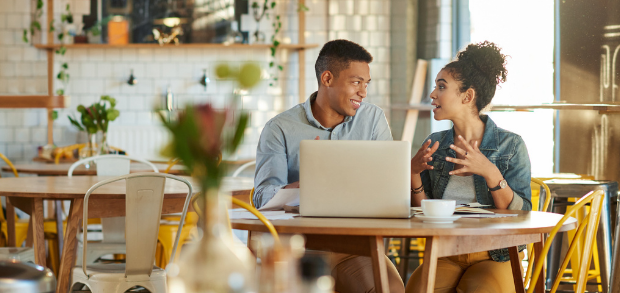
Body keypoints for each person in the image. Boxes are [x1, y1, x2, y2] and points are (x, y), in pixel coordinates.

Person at [254, 39, 404, 293]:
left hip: (356, 249)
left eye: (366, 84)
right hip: (300, 250)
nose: (363, 92)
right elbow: (262, 197)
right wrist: (304, 187)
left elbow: (387, 186)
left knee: (391, 290)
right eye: (356, 82)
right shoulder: (279, 128)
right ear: (327, 78)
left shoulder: (373, 118)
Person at [406, 41, 532, 293]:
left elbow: (523, 215)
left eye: (441, 87)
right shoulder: (434, 144)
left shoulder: (511, 145)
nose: (432, 95)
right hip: (447, 253)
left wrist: (489, 171)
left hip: (497, 256)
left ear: (468, 96)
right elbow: (424, 214)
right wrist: (413, 173)